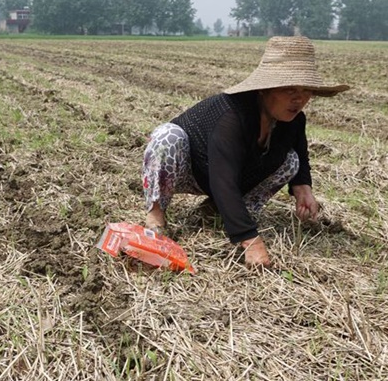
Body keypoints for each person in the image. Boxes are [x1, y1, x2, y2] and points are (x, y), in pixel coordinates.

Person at [141, 36, 350, 267]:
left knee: (290, 161)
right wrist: (250, 240)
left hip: (228, 176)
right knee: (167, 136)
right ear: (265, 89)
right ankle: (156, 213)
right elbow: (223, 180)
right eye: (289, 88)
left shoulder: (293, 119)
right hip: (189, 169)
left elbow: (299, 150)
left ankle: (216, 210)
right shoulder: (231, 116)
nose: (299, 98)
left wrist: (303, 189)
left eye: (306, 89)